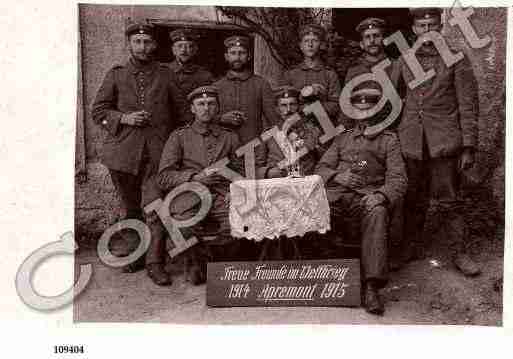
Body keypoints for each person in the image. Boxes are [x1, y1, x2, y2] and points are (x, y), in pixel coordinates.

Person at [91, 22, 179, 285]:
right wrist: (124, 118)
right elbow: (98, 111)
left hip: (158, 153)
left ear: (154, 45)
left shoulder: (166, 75)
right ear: (129, 44)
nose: (143, 47)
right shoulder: (116, 75)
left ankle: (155, 263)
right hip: (122, 155)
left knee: (154, 208)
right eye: (137, 42)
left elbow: (183, 113)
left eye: (147, 42)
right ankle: (136, 255)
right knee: (130, 209)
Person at [398, 8, 481, 276]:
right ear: (414, 30)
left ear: (440, 27)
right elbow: (393, 100)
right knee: (413, 198)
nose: (426, 30)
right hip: (412, 141)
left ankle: (460, 253)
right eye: (421, 26)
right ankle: (410, 247)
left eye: (432, 24)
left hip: (443, 140)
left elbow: (468, 104)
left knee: (449, 199)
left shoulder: (456, 59)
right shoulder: (404, 59)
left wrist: (468, 145)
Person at [315, 87, 407, 315]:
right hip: (337, 197)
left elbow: (399, 179)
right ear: (353, 112)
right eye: (359, 109)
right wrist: (339, 176)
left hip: (366, 200)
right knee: (311, 206)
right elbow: (321, 167)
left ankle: (371, 286)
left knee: (377, 213)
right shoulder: (342, 138)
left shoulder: (389, 140)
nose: (364, 115)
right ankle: (313, 278)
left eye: (369, 110)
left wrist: (380, 196)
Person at [156, 86, 242, 284]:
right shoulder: (178, 137)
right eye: (201, 104)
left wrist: (235, 189)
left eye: (211, 104)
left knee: (238, 223)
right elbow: (163, 177)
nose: (206, 108)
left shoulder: (230, 137)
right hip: (189, 196)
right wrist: (194, 177)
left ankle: (219, 268)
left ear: (218, 108)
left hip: (222, 195)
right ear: (192, 109)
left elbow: (241, 172)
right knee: (181, 224)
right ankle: (197, 263)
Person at [214, 35, 282, 146]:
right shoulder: (217, 86)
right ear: (226, 56)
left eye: (242, 53)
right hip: (224, 148)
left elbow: (274, 119)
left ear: (249, 56)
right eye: (233, 53)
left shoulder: (261, 84)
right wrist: (221, 118)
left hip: (253, 146)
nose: (237, 57)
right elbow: (206, 120)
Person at [280, 24, 342, 123]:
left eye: (315, 41)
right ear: (300, 46)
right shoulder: (291, 74)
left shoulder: (330, 74)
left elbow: (336, 105)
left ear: (321, 44)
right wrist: (301, 107)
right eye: (306, 41)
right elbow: (282, 103)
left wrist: (315, 108)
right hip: (297, 127)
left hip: (325, 127)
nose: (310, 45)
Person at [262, 85, 322, 178]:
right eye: (283, 105)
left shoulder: (313, 131)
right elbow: (257, 166)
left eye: (292, 104)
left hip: (305, 182)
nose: (288, 110)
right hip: (277, 183)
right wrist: (268, 172)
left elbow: (323, 162)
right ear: (277, 109)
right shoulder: (268, 134)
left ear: (298, 106)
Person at [168, 28, 214, 124]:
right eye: (180, 46)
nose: (184, 50)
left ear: (195, 50)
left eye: (189, 46)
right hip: (166, 125)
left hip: (193, 125)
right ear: (173, 50)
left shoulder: (204, 75)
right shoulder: (163, 72)